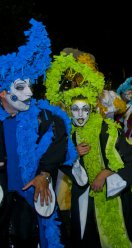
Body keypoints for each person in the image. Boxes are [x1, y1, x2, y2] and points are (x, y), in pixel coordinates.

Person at [44, 49, 132, 247]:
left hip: (110, 191)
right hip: (85, 191)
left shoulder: (107, 128)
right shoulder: (71, 130)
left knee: (114, 231)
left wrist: (105, 173)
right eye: (75, 109)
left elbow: (126, 157)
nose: (80, 114)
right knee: (87, 230)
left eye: (85, 109)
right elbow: (56, 156)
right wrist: (72, 153)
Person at [0, 19, 77, 248]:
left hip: (31, 205)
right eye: (20, 87)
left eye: (29, 85)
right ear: (3, 93)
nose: (30, 92)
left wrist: (44, 175)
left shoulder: (44, 117)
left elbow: (59, 143)